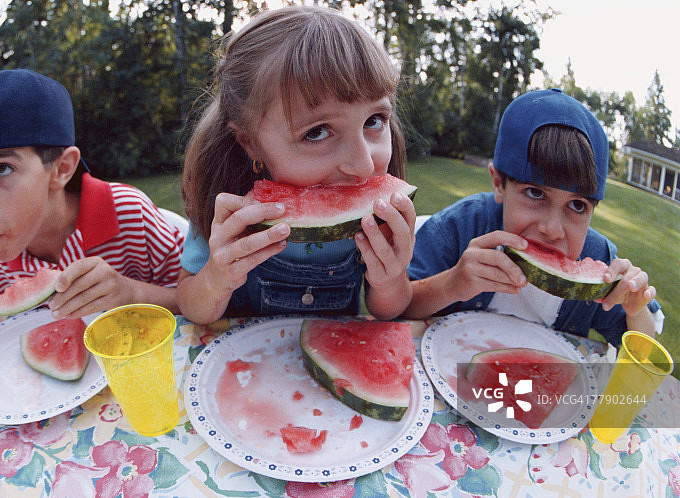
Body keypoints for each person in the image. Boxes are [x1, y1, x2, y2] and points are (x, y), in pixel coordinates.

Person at [177, 5, 416, 324]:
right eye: (317, 132)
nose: (362, 165)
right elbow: (192, 307)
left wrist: (390, 278)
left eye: (375, 120)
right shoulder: (222, 211)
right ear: (249, 142)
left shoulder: (381, 214)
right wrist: (214, 279)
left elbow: (389, 309)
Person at [404, 88, 662, 346]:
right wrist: (451, 284)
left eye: (578, 205)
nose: (552, 229)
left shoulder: (599, 259)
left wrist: (635, 309)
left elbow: (643, 351)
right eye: (535, 193)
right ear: (498, 184)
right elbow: (397, 308)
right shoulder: (459, 228)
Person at [0, 69, 184, 324]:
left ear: (61, 169)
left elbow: (200, 297)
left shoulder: (130, 214)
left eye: (3, 168)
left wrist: (132, 292)